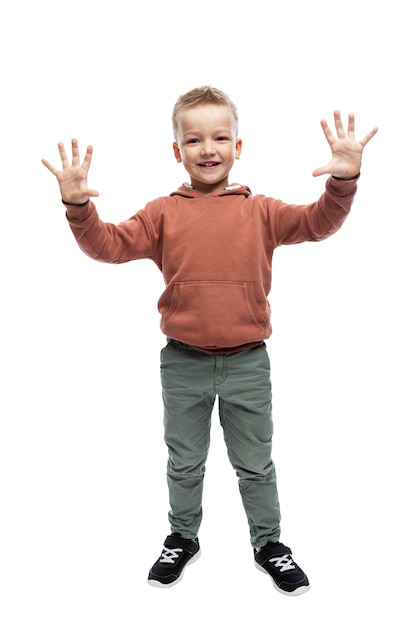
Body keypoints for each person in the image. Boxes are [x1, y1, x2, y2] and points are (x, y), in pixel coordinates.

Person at [42, 86, 377, 596]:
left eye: (221, 136)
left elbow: (317, 223)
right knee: (184, 460)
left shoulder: (259, 210)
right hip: (183, 364)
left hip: (248, 363)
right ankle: (182, 537)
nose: (208, 148)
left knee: (256, 464)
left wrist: (343, 179)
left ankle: (269, 544)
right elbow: (107, 246)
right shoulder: (162, 213)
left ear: (238, 146)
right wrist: (77, 206)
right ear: (177, 150)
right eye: (194, 139)